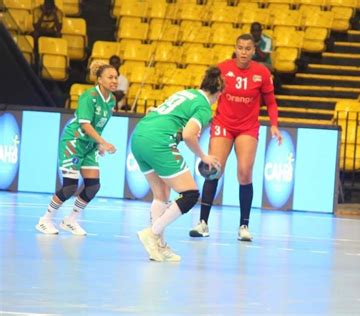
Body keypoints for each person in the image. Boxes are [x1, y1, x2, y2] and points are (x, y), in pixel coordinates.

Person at [189, 33, 282, 242]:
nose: (243, 52)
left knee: (245, 173)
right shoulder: (222, 68)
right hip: (223, 124)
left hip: (247, 127)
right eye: (240, 48)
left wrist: (274, 125)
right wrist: (196, 123)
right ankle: (203, 223)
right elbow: (205, 97)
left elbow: (271, 102)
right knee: (213, 170)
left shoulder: (262, 73)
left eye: (248, 49)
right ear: (235, 47)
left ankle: (244, 226)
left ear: (253, 50)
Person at [132, 67, 224, 262]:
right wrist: (204, 156)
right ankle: (152, 233)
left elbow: (158, 111)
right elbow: (189, 135)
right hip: (158, 141)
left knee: (161, 195)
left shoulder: (187, 92)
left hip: (139, 135)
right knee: (190, 194)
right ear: (218, 92)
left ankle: (158, 247)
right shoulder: (204, 106)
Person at [35, 60, 118, 235]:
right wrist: (103, 142)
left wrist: (97, 144)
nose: (114, 80)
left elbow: (98, 125)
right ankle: (45, 220)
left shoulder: (111, 100)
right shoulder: (89, 96)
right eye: (110, 77)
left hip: (89, 145)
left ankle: (70, 220)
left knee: (93, 186)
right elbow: (86, 124)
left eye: (116, 77)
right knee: (70, 187)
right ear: (100, 80)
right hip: (74, 142)